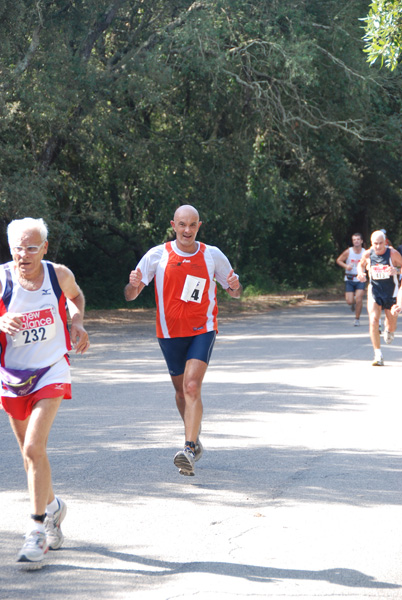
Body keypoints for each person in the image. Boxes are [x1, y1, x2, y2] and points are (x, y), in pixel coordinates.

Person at [124, 205, 242, 477]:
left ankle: (188, 448)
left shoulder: (212, 255)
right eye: (181, 224)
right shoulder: (157, 255)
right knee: (181, 393)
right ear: (173, 225)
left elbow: (234, 291)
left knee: (191, 386)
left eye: (192, 225)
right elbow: (131, 295)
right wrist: (133, 284)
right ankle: (195, 434)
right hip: (169, 333)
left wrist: (235, 286)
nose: (187, 230)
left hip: (203, 329)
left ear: (199, 225)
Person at [0, 217, 90, 569]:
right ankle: (53, 508)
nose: (24, 254)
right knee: (28, 455)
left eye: (32, 247)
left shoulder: (58, 274)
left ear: (45, 248)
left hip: (52, 367)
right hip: (11, 374)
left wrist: (77, 321)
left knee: (36, 447)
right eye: (18, 247)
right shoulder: (4, 277)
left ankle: (37, 530)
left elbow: (76, 296)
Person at [357, 230, 402, 366]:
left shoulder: (393, 253)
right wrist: (361, 273)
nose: (377, 247)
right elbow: (361, 264)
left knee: (392, 323)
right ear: (371, 243)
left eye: (380, 243)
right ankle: (378, 355)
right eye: (375, 244)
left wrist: (397, 271)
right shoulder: (368, 253)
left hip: (391, 293)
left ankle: (389, 330)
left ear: (385, 242)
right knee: (373, 320)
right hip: (375, 291)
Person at [336, 233, 366, 326]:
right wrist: (346, 266)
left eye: (358, 239)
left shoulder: (365, 252)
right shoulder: (348, 251)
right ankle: (353, 303)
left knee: (359, 298)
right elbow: (339, 260)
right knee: (349, 301)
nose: (356, 241)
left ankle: (357, 319)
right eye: (354, 240)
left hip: (360, 278)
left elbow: (370, 262)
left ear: (361, 241)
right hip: (349, 278)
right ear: (352, 242)